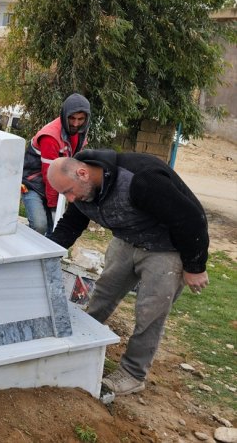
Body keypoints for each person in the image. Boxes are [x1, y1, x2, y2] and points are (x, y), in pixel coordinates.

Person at [47, 150, 209, 396]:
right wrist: (47, 255)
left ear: (82, 173)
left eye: (69, 191)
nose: (70, 198)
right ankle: (82, 343)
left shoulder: (140, 180)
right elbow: (71, 224)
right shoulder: (84, 189)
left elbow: (190, 218)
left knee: (150, 312)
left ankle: (133, 373)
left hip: (166, 248)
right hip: (126, 240)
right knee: (103, 294)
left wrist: (195, 266)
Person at [21, 93, 91, 236]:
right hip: (33, 184)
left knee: (53, 229)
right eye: (72, 118)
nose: (76, 123)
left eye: (80, 119)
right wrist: (54, 208)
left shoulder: (79, 132)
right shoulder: (50, 137)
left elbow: (76, 164)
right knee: (40, 226)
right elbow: (50, 176)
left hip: (55, 185)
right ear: (65, 115)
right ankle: (20, 250)